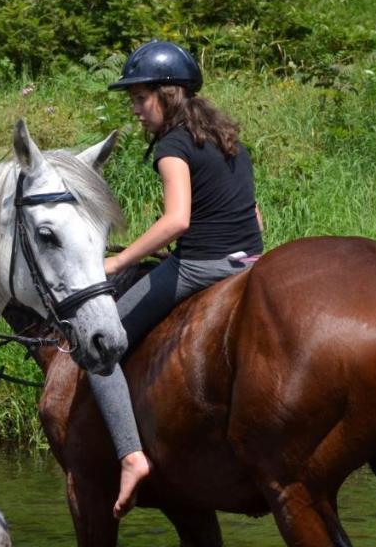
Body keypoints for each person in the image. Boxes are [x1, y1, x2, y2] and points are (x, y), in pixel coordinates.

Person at [93, 39, 264, 518]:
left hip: (200, 266)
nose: (134, 110)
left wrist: (119, 261)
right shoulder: (230, 140)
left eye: (140, 98)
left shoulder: (171, 146)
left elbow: (177, 221)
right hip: (248, 263)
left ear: (167, 95)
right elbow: (253, 216)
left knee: (102, 349)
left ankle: (130, 457)